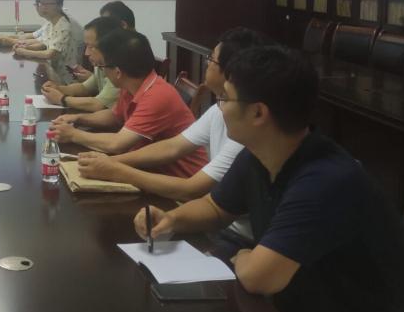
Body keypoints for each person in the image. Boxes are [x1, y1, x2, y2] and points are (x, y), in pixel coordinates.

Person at [134, 45, 404, 312]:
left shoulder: (326, 180)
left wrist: (246, 257)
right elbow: (216, 208)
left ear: (259, 113)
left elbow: (260, 277)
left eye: (226, 99)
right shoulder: (260, 155)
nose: (219, 107)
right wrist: (170, 220)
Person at [78, 27, 271, 258]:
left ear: (233, 71)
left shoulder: (246, 136)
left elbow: (191, 189)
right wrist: (114, 164)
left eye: (211, 59)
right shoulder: (220, 110)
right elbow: (172, 146)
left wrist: (116, 170)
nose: (206, 63)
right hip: (211, 220)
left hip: (236, 237)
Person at [50, 29, 207, 177]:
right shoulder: (131, 85)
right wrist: (78, 119)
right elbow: (114, 116)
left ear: (118, 72)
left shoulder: (157, 95)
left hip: (180, 181)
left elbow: (117, 144)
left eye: (102, 67)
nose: (103, 73)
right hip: (150, 170)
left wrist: (73, 134)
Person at [40, 16, 123, 112]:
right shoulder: (101, 65)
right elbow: (84, 87)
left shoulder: (120, 69)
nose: (86, 53)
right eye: (86, 46)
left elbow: (98, 104)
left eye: (91, 47)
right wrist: (58, 89)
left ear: (108, 45)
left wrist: (61, 99)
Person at [11, 0, 83, 72]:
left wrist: (24, 52)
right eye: (41, 3)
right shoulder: (51, 22)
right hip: (53, 68)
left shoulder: (64, 25)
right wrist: (25, 47)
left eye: (48, 3)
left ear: (59, 5)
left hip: (66, 74)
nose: (43, 7)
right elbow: (44, 44)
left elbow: (50, 54)